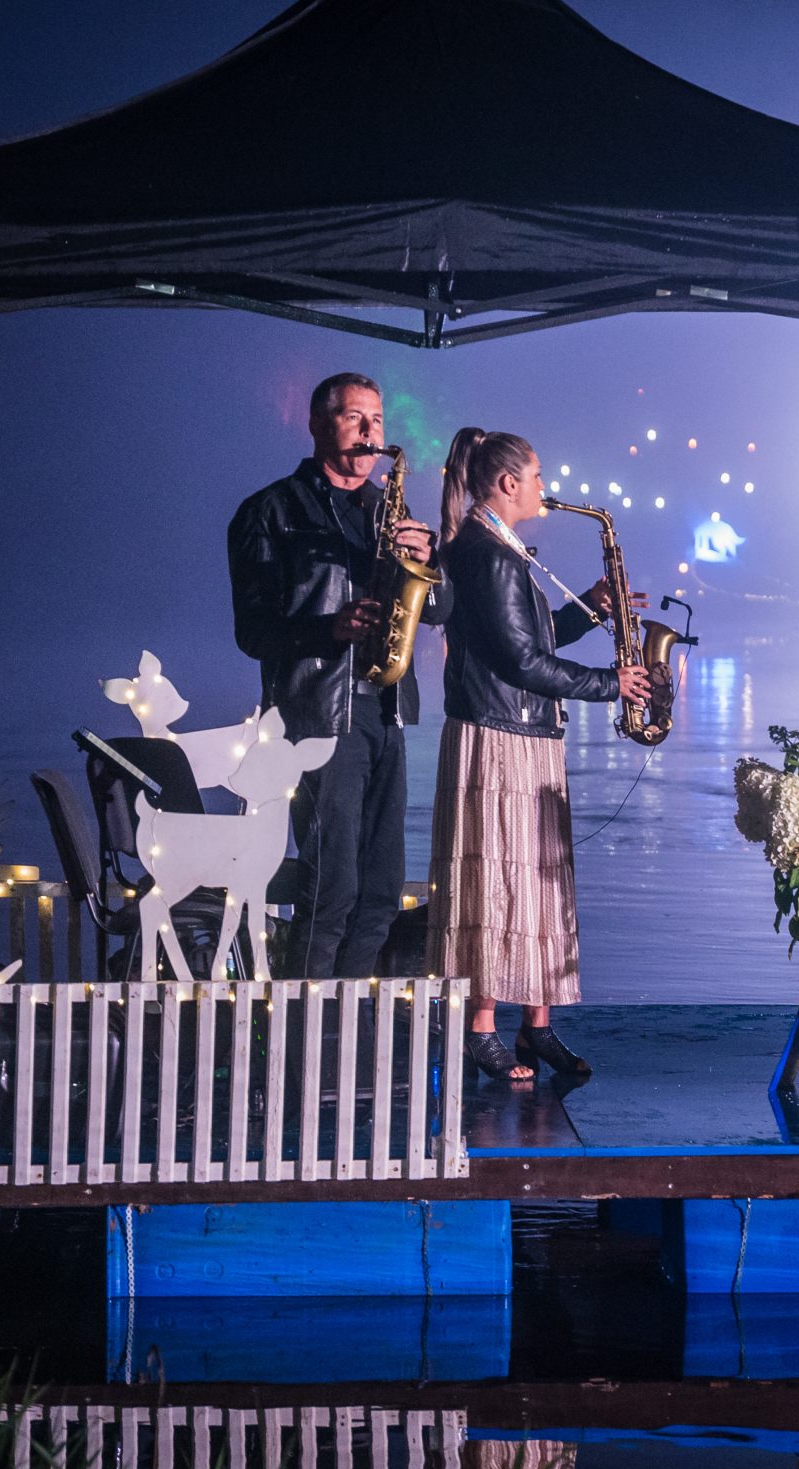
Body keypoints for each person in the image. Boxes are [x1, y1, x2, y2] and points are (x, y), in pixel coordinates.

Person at [428, 427, 650, 1081]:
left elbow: (534, 636)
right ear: (507, 483)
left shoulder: (497, 549)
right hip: (499, 737)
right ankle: (480, 1030)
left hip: (522, 732)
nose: (544, 488)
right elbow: (521, 662)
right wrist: (613, 684)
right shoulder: (488, 555)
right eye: (536, 476)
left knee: (536, 883)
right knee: (497, 884)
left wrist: (590, 609)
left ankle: (536, 1026)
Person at [228, 372, 438, 977]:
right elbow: (253, 633)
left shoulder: (387, 510)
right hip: (317, 715)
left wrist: (428, 562)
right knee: (331, 888)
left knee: (381, 892)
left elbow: (438, 609)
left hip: (387, 710)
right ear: (318, 424)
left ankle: (350, 1018)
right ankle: (302, 1022)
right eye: (354, 418)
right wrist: (332, 628)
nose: (371, 432)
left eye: (378, 420)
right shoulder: (270, 511)